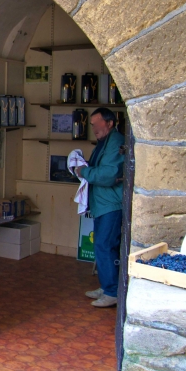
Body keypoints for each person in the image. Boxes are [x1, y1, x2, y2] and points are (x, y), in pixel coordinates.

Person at [74, 108, 124, 308]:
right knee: (102, 246)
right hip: (102, 204)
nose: (93, 128)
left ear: (109, 123)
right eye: (92, 124)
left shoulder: (116, 142)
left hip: (111, 204)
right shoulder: (105, 142)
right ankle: (107, 286)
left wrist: (84, 171)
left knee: (105, 245)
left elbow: (108, 175)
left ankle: (112, 292)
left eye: (97, 124)